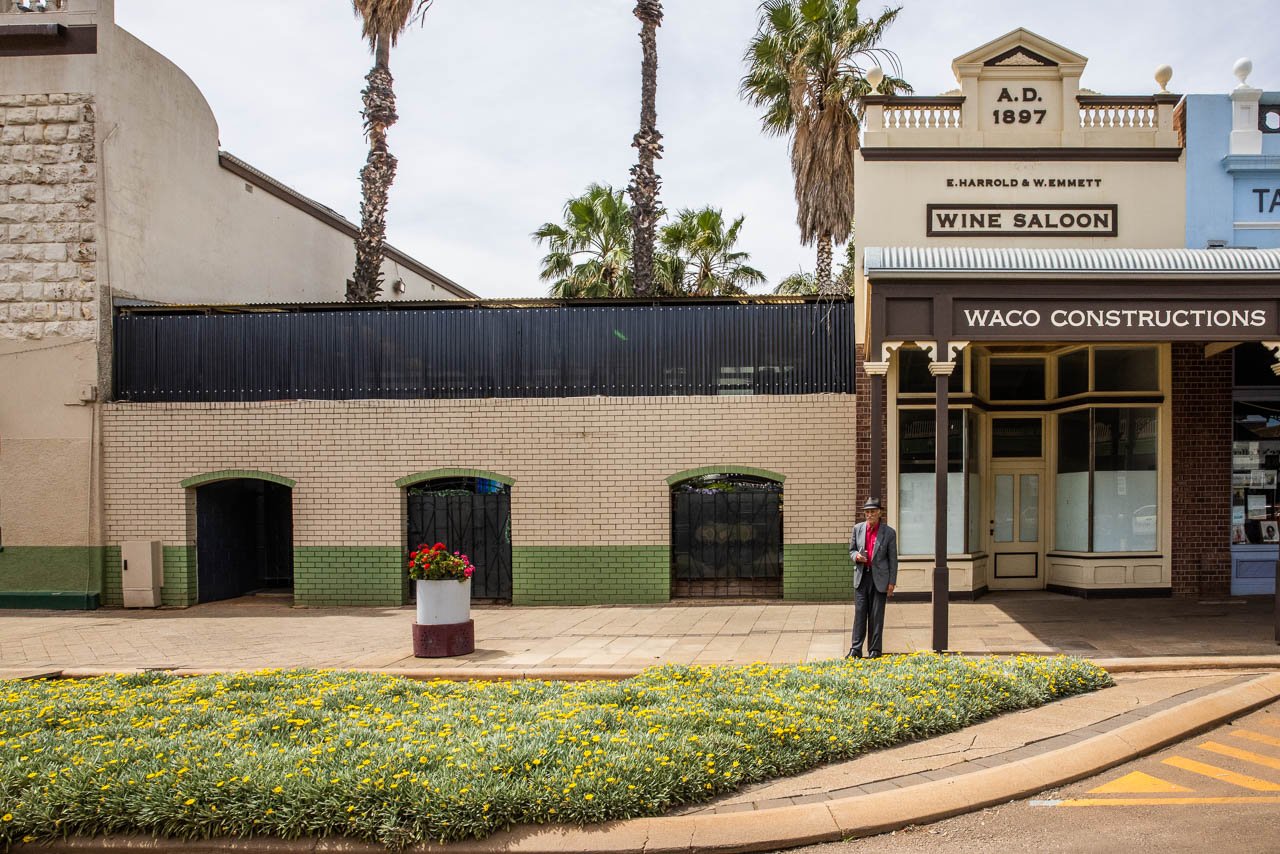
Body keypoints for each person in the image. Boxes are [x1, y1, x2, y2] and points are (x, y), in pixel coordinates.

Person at [847, 497, 897, 659]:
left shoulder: (888, 533)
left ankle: (875, 650)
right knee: (860, 614)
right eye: (867, 512)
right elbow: (851, 550)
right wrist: (857, 557)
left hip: (880, 579)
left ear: (879, 513)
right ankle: (856, 649)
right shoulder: (857, 529)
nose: (870, 515)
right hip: (862, 577)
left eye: (873, 511)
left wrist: (892, 582)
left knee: (876, 615)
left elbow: (893, 559)